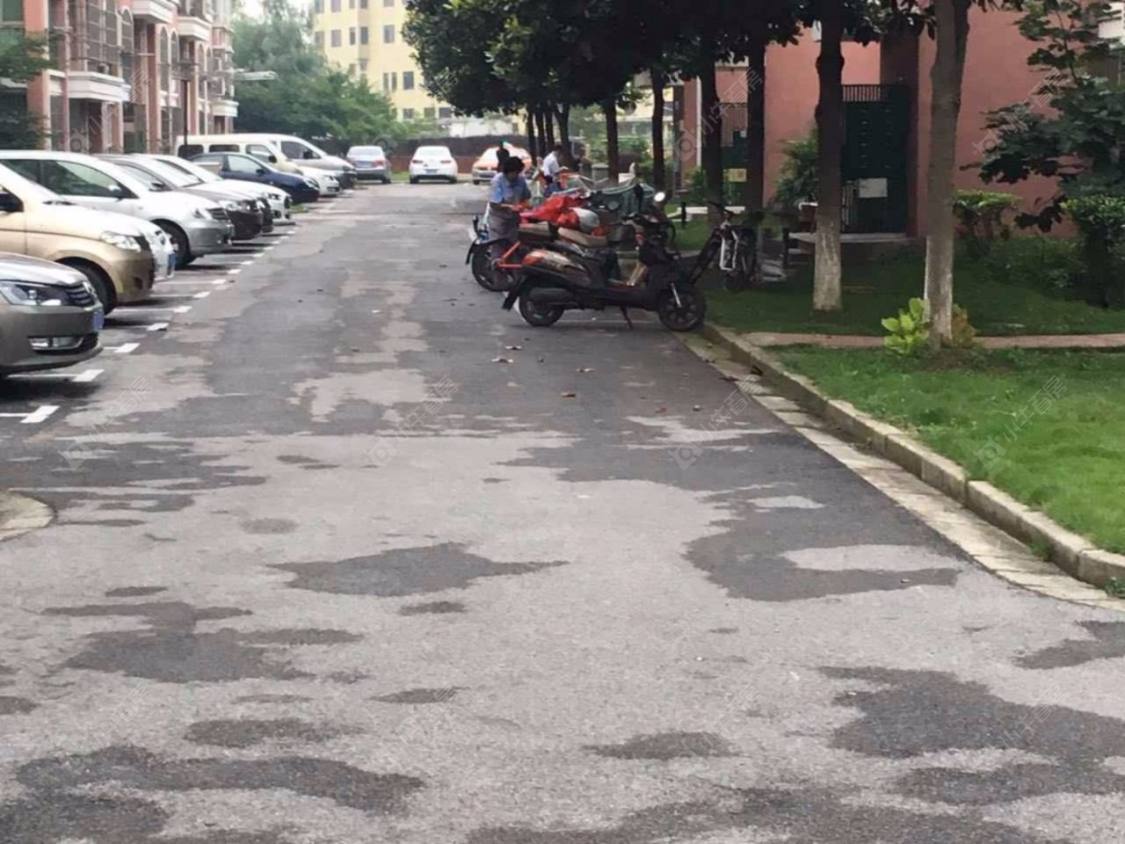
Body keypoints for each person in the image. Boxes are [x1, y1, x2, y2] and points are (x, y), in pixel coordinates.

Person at [487, 155, 531, 261]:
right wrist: (510, 207)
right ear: (507, 172)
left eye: (518, 172)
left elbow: (526, 197)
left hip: (513, 220)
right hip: (499, 220)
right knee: (498, 248)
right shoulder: (497, 181)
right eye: (514, 173)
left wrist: (525, 205)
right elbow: (494, 203)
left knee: (513, 247)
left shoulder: (520, 180)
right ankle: (496, 267)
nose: (516, 176)